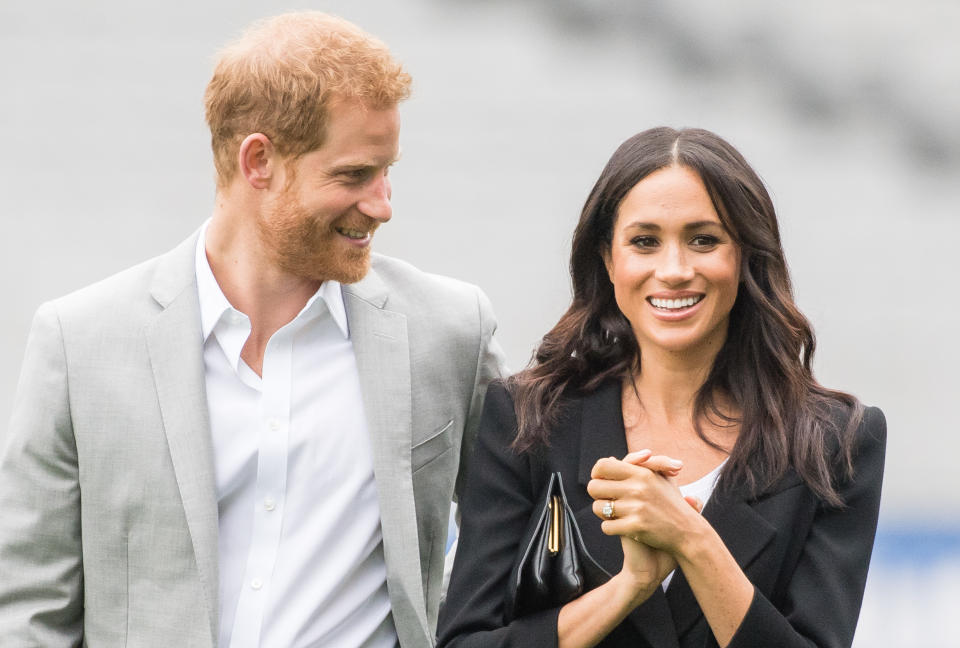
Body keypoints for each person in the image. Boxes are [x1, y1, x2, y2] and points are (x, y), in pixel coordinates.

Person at [0, 12, 505, 648]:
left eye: (387, 171)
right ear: (259, 160)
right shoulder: (79, 344)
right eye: (353, 175)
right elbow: (29, 616)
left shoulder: (451, 330)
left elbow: (516, 543)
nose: (383, 204)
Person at [438, 127, 885, 648]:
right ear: (608, 260)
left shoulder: (838, 441)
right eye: (645, 241)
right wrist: (630, 586)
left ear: (744, 258)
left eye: (704, 240)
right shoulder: (527, 419)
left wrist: (692, 540)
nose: (673, 270)